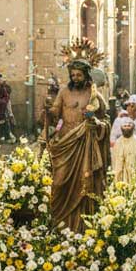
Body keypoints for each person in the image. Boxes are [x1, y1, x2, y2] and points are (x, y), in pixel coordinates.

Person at [46, 60, 111, 231]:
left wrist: (96, 123)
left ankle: (82, 226)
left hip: (85, 144)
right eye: (72, 75)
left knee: (85, 182)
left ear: (86, 76)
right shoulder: (64, 92)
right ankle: (58, 222)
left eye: (79, 75)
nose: (75, 78)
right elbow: (55, 113)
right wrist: (48, 110)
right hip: (65, 143)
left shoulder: (94, 95)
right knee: (59, 182)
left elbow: (106, 121)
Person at [112, 117, 136, 183]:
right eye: (124, 125)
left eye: (129, 125)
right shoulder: (118, 143)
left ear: (133, 127)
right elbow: (114, 162)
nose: (126, 127)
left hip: (135, 178)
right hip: (121, 179)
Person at [0, 74, 16, 144]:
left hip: (4, 108)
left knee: (6, 121)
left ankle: (10, 137)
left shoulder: (4, 87)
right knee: (2, 121)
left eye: (1, 80)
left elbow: (6, 99)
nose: (0, 81)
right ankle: (3, 137)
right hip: (0, 108)